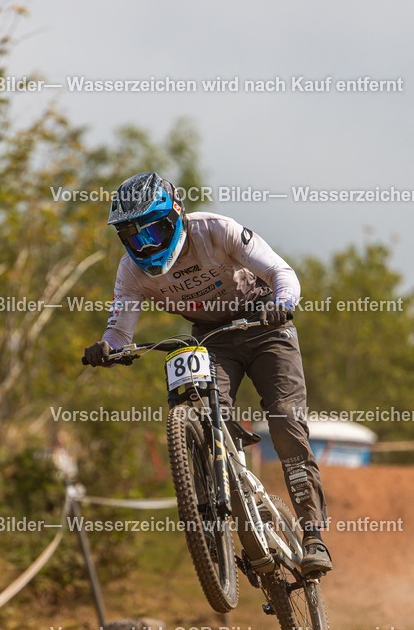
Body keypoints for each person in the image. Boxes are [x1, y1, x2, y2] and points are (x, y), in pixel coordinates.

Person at [84, 171, 332, 573]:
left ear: (174, 217)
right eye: (133, 238)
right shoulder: (131, 270)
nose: (144, 245)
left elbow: (282, 273)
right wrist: (107, 350)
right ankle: (224, 512)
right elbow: (119, 329)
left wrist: (283, 302)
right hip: (212, 338)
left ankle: (312, 533)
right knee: (197, 407)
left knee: (286, 419)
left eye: (152, 233)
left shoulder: (216, 231)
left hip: (265, 325)